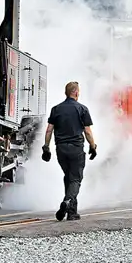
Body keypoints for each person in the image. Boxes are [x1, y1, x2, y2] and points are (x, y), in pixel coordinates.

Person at [42, 81, 97, 221]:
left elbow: (49, 130)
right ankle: (67, 201)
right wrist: (93, 146)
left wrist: (46, 147)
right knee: (76, 179)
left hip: (61, 149)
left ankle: (72, 213)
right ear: (76, 92)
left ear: (66, 93)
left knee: (69, 177)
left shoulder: (56, 109)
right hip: (76, 149)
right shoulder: (82, 109)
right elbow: (87, 131)